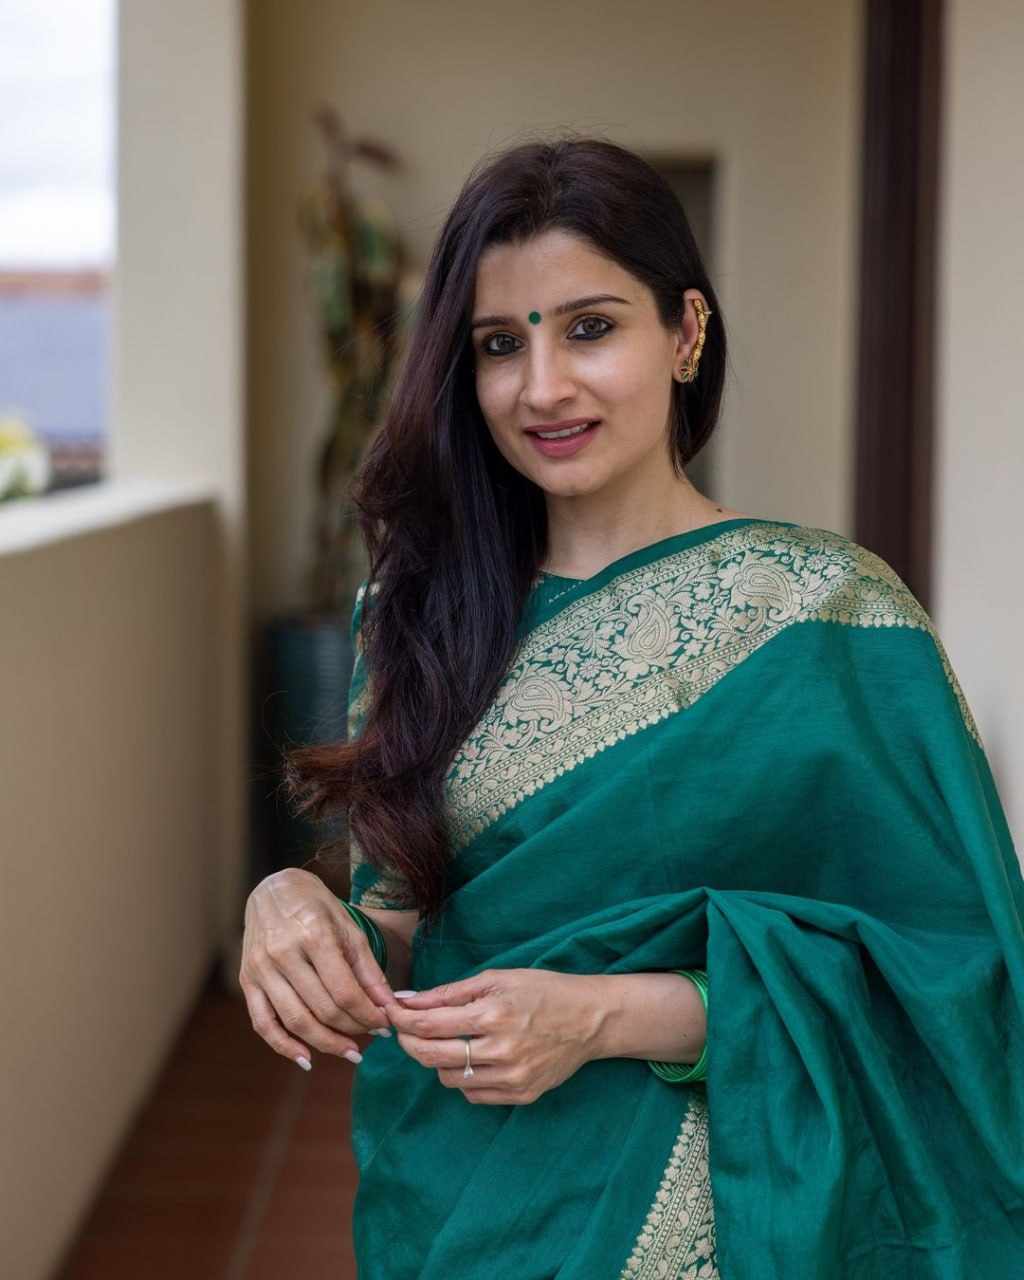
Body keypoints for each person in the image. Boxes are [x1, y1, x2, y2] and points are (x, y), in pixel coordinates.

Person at [239, 137, 1024, 1278]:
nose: (542, 386)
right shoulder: (409, 617)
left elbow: (954, 978)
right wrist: (296, 911)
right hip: (469, 1200)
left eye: (590, 328)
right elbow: (406, 929)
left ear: (685, 332)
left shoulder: (826, 613)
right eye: (500, 344)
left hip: (735, 1212)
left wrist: (604, 1014)